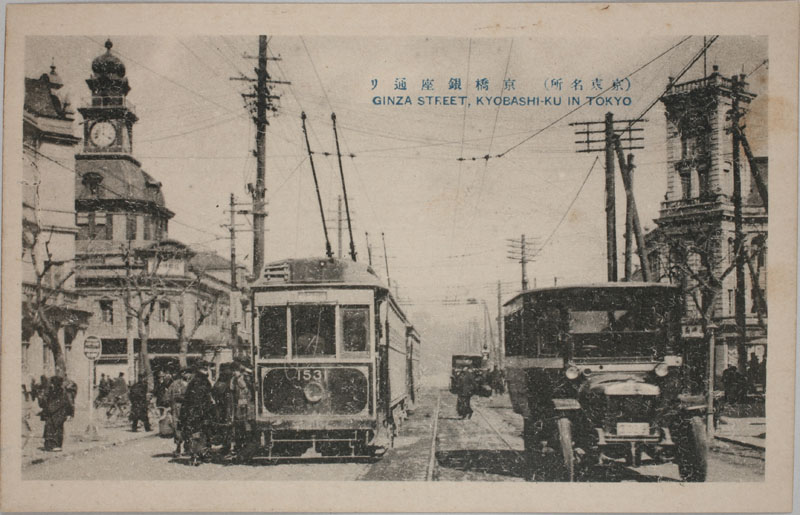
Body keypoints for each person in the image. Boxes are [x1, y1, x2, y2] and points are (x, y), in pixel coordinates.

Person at [180, 363, 214, 466]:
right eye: (205, 368)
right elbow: (201, 399)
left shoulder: (195, 381)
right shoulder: (202, 381)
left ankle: (197, 455)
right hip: (200, 412)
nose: (207, 370)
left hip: (194, 412)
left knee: (196, 434)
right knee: (199, 434)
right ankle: (199, 455)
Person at [39, 376, 74, 451]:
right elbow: (68, 403)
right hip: (54, 413)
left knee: (55, 428)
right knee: (52, 428)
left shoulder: (61, 392)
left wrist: (70, 414)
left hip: (57, 413)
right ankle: (51, 445)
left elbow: (68, 403)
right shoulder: (53, 391)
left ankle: (55, 445)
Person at [231, 359, 256, 461]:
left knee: (248, 431)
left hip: (247, 410)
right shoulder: (235, 379)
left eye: (235, 370)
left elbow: (246, 392)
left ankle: (247, 454)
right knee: (240, 431)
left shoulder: (245, 378)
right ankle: (242, 453)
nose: (234, 373)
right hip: (240, 410)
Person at [166, 368, 191, 456]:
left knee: (188, 427)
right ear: (182, 374)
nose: (188, 375)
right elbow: (168, 396)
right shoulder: (175, 384)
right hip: (177, 408)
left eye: (189, 373)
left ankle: (187, 447)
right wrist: (169, 408)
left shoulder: (192, 383)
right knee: (177, 428)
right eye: (186, 373)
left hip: (188, 408)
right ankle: (178, 447)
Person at [212, 364, 234, 456]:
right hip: (226, 407)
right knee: (227, 427)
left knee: (226, 428)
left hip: (222, 407)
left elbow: (214, 391)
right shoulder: (227, 381)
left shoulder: (220, 381)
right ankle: (227, 446)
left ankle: (226, 446)